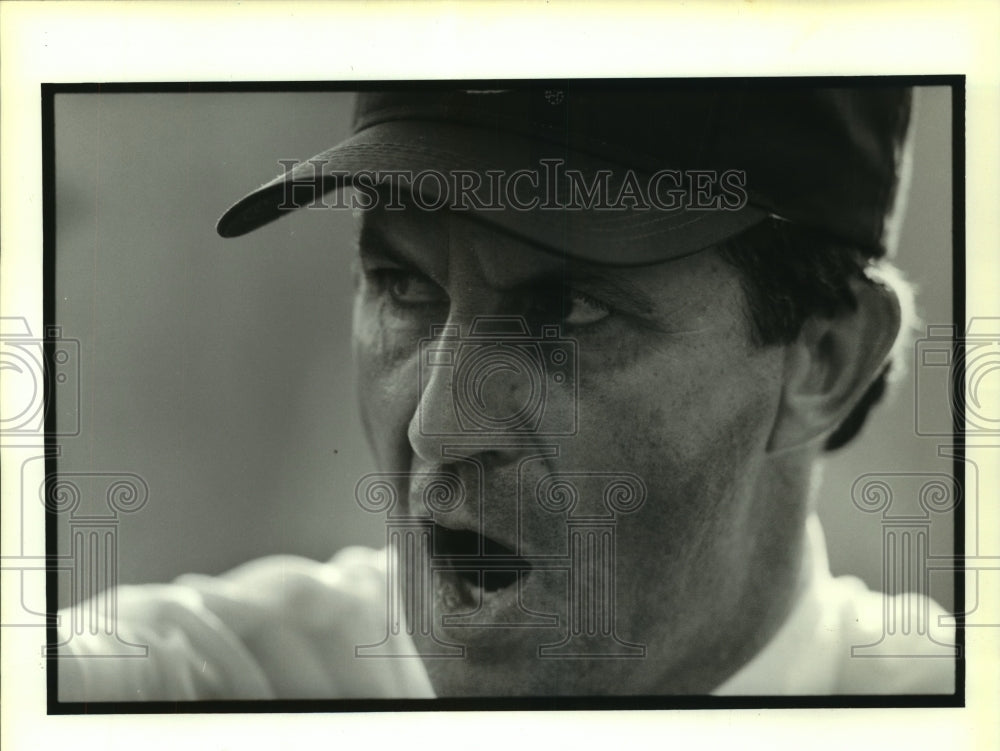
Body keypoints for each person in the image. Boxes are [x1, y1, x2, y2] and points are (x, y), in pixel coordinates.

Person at [58, 83, 955, 700]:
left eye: (565, 309)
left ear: (827, 359)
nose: (442, 428)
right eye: (404, 286)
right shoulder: (188, 696)